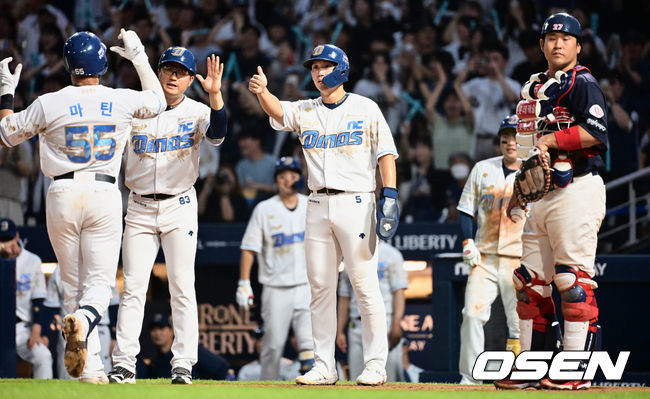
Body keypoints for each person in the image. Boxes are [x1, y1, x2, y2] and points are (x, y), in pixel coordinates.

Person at [0, 30, 165, 383]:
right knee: (101, 284)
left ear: (67, 65)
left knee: (72, 283)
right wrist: (138, 57)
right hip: (103, 192)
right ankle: (87, 322)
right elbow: (158, 101)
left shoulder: (49, 101)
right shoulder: (119, 99)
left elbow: (6, 133)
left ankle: (90, 372)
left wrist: (5, 91)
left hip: (61, 192)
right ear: (102, 64)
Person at [248, 44, 399, 386]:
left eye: (325, 66)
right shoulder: (306, 109)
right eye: (314, 68)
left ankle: (375, 364)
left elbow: (386, 153)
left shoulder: (365, 107)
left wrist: (389, 193)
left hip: (357, 201)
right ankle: (324, 365)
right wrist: (264, 92)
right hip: (316, 203)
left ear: (341, 68)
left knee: (364, 285)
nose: (318, 73)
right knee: (319, 288)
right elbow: (279, 112)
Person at [496, 13, 608, 391]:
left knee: (571, 283)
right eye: (551, 38)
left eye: (566, 38)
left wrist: (550, 142)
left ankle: (577, 370)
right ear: (542, 45)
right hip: (540, 194)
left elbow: (596, 132)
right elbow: (527, 150)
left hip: (577, 188)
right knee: (529, 285)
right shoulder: (534, 87)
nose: (558, 43)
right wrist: (517, 191)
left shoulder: (583, 82)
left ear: (578, 46)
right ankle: (531, 367)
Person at [108, 47, 227, 385]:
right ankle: (124, 364)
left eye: (181, 71)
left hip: (179, 205)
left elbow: (218, 134)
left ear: (191, 79)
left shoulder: (198, 110)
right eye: (168, 69)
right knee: (132, 287)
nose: (173, 76)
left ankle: (183, 364)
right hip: (140, 205)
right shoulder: (136, 108)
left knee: (182, 286)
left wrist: (216, 96)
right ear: (157, 73)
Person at [457, 116, 524, 385]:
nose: (510, 143)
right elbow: (464, 210)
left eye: (515, 138)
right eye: (505, 138)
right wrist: (467, 242)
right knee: (472, 314)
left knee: (520, 324)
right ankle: (471, 378)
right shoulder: (482, 168)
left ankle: (522, 376)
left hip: (518, 258)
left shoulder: (536, 172)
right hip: (484, 257)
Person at [236, 156, 314, 380]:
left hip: (306, 284)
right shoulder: (264, 209)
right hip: (275, 287)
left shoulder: (311, 204)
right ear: (276, 180)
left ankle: (315, 391)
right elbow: (249, 247)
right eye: (282, 176)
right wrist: (243, 282)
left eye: (293, 175)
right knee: (272, 347)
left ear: (300, 178)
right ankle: (266, 389)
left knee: (309, 343)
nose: (288, 180)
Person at [336, 240, 408, 382]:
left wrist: (396, 323)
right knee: (356, 378)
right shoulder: (350, 254)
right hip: (356, 324)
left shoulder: (392, 254)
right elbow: (345, 296)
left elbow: (398, 292)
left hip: (384, 322)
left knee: (387, 378)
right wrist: (339, 330)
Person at [0, 217, 52, 379]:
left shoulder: (32, 260)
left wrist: (37, 331)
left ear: (16, 236)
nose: (7, 243)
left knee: (43, 356)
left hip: (23, 328)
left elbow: (38, 298)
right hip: (1, 326)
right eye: (3, 240)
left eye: (9, 238)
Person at [136, 313, 230, 381]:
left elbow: (221, 366)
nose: (157, 333)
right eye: (153, 329)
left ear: (172, 330)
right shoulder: (154, 360)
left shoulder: (187, 350)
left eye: (161, 328)